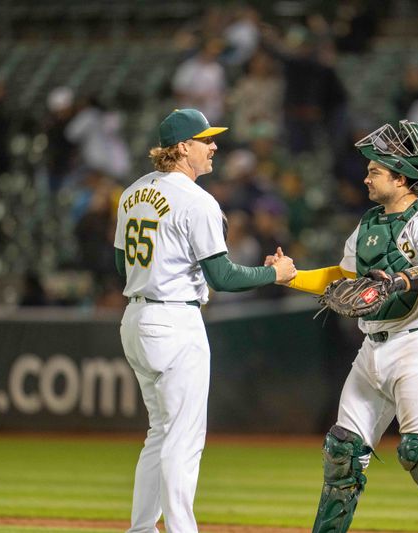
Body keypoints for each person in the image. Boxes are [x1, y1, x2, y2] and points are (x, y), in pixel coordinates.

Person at [268, 120, 418, 533]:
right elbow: (341, 277)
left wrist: (400, 279)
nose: (366, 177)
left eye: (375, 170)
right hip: (372, 349)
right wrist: (292, 276)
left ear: (401, 177)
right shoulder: (369, 225)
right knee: (342, 452)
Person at [113, 108, 296, 533]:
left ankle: (141, 530)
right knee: (182, 439)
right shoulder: (197, 201)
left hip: (136, 317)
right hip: (175, 320)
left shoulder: (132, 192)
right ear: (182, 148)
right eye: (204, 139)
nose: (213, 145)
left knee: (159, 432)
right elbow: (223, 276)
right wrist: (276, 274)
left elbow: (121, 261)